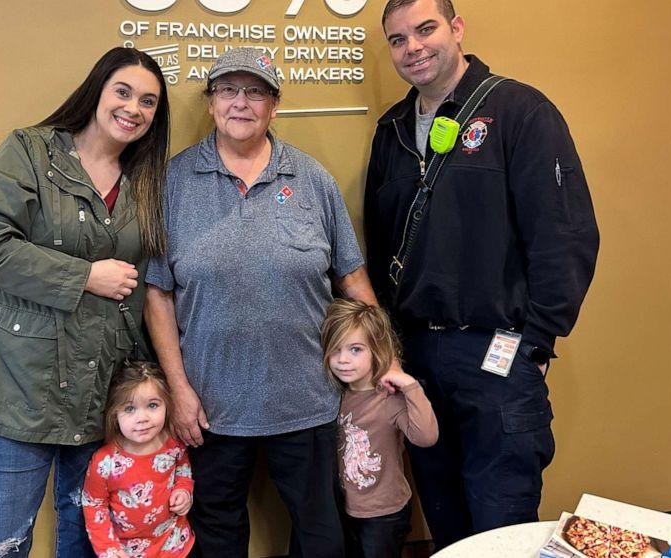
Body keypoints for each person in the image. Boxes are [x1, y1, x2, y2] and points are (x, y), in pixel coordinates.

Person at [364, 0, 600, 549]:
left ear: (457, 28)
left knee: (502, 528)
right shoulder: (392, 130)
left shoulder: (521, 112)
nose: (413, 48)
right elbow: (379, 244)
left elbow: (565, 236)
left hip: (499, 353)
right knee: (445, 521)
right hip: (416, 356)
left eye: (426, 30)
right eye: (398, 40)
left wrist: (537, 343)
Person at [145, 47, 386, 558]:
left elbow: (351, 276)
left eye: (255, 91)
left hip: (308, 401)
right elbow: (158, 294)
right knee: (216, 533)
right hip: (211, 408)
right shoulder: (173, 183)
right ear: (210, 103)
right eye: (228, 90)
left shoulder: (312, 180)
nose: (241, 103)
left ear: (274, 105)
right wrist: (178, 389)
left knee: (323, 535)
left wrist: (385, 363)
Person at [0, 47, 170, 558]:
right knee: (3, 546)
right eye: (123, 92)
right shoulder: (30, 151)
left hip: (101, 396)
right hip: (17, 391)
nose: (133, 109)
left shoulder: (146, 185)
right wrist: (85, 276)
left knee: (91, 542)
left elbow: (148, 290)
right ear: (96, 91)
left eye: (148, 102)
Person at [321, 299, 439, 558]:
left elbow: (426, 437)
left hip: (385, 513)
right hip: (347, 507)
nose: (343, 360)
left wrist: (410, 386)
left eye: (355, 349)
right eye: (335, 350)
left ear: (376, 350)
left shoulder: (389, 399)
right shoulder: (335, 397)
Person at [82, 362, 194, 558]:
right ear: (115, 414)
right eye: (130, 409)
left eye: (152, 405)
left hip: (175, 544)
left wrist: (184, 490)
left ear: (167, 404)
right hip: (126, 552)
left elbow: (183, 468)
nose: (142, 418)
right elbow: (94, 505)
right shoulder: (104, 462)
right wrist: (109, 549)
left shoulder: (173, 444)